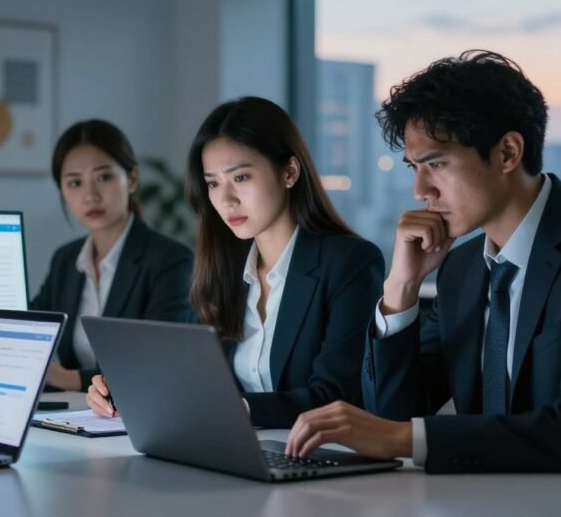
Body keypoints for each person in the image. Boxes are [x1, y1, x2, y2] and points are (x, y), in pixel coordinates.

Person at [284, 50, 561, 486]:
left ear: (508, 152)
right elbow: (392, 414)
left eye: (436, 164)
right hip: (490, 498)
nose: (420, 190)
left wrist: (400, 437)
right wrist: (402, 287)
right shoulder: (462, 268)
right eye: (414, 168)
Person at [88, 96, 384, 428]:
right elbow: (190, 377)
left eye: (240, 178)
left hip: (320, 459)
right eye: (213, 183)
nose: (226, 199)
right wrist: (125, 387)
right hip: (240, 451)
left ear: (289, 171)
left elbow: (336, 396)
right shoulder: (224, 270)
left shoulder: (349, 263)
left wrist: (238, 409)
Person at [31, 119, 194, 392]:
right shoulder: (65, 260)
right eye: (75, 183)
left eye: (104, 177)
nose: (90, 195)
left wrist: (67, 379)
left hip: (144, 413)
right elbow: (30, 330)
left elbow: (158, 362)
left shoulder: (171, 260)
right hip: (81, 414)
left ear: (131, 179)